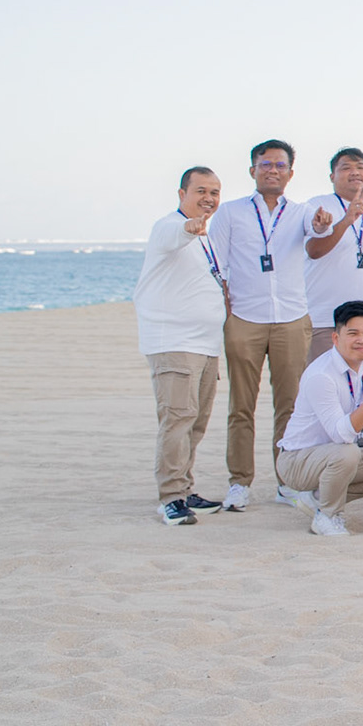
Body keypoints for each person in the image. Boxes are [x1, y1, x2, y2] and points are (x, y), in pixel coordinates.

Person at [209, 139, 313, 510]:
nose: (273, 171)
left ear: (290, 173)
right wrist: (225, 314)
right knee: (241, 406)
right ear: (253, 170)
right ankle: (240, 482)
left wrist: (325, 224)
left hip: (291, 319)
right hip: (244, 318)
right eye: (265, 164)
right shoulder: (230, 213)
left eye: (280, 165)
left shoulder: (302, 213)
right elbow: (216, 266)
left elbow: (320, 238)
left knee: (290, 406)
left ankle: (287, 483)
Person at [273, 300, 363, 536]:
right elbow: (341, 434)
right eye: (353, 333)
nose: (362, 340)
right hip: (297, 461)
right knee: (347, 452)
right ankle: (327, 516)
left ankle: (317, 498)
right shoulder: (322, 375)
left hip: (335, 454)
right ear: (335, 338)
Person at [137, 167, 227, 524]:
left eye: (215, 192)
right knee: (177, 419)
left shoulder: (207, 238)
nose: (209, 198)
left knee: (196, 422)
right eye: (201, 191)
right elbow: (176, 234)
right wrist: (189, 226)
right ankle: (171, 497)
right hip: (174, 342)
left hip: (205, 345)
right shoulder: (168, 227)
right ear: (182, 194)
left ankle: (186, 488)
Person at [303, 147, 363, 363]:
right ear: (332, 176)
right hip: (325, 320)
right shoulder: (317, 205)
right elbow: (314, 250)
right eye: (346, 167)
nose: (355, 172)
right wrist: (347, 219)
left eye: (361, 167)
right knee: (323, 380)